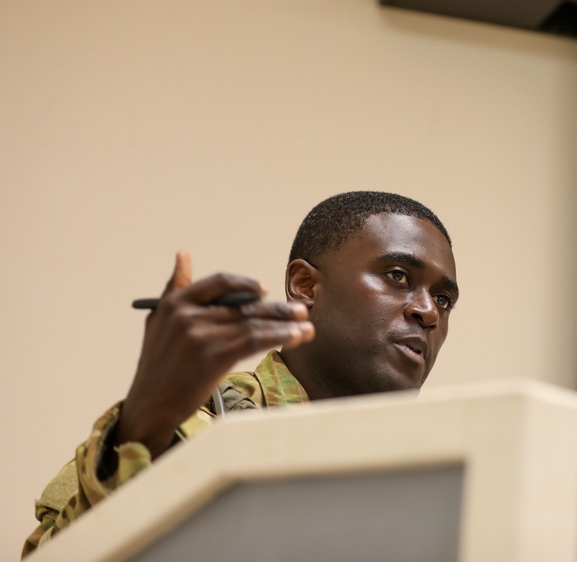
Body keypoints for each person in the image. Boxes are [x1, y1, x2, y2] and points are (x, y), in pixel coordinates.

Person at [23, 191, 459, 557]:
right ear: (305, 285)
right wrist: (143, 424)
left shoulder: (440, 480)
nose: (427, 312)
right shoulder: (190, 436)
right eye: (398, 276)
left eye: (443, 299)